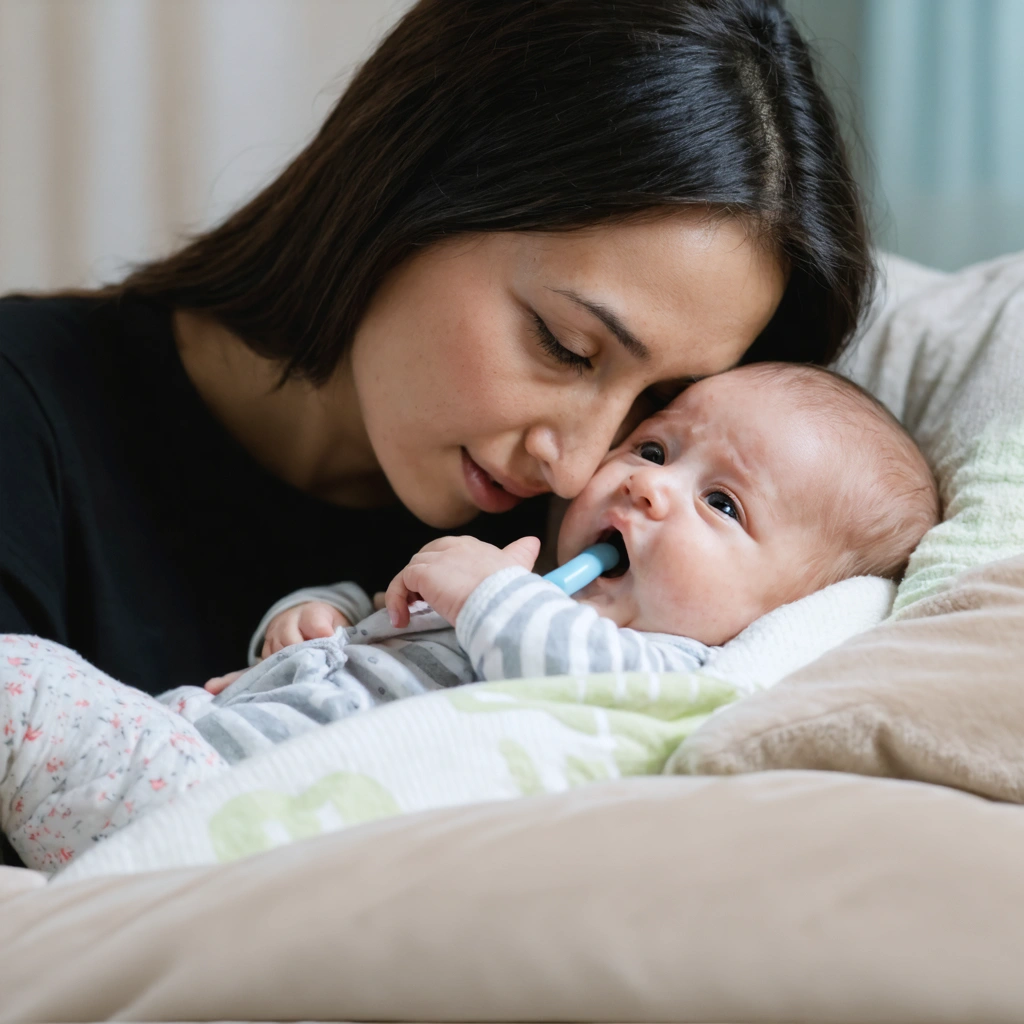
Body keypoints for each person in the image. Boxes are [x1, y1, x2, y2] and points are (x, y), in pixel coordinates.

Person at [0, 0, 874, 702]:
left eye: (658, 406)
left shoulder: (603, 582)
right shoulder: (29, 411)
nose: (574, 470)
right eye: (565, 346)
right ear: (411, 183)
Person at [0, 363, 940, 871]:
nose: (650, 486)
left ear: (787, 610)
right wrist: (310, 619)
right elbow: (371, 637)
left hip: (215, 812)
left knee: (22, 678)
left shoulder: (666, 678)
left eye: (723, 505)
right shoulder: (534, 595)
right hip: (195, 734)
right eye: (655, 446)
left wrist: (490, 594)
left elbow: (587, 676)